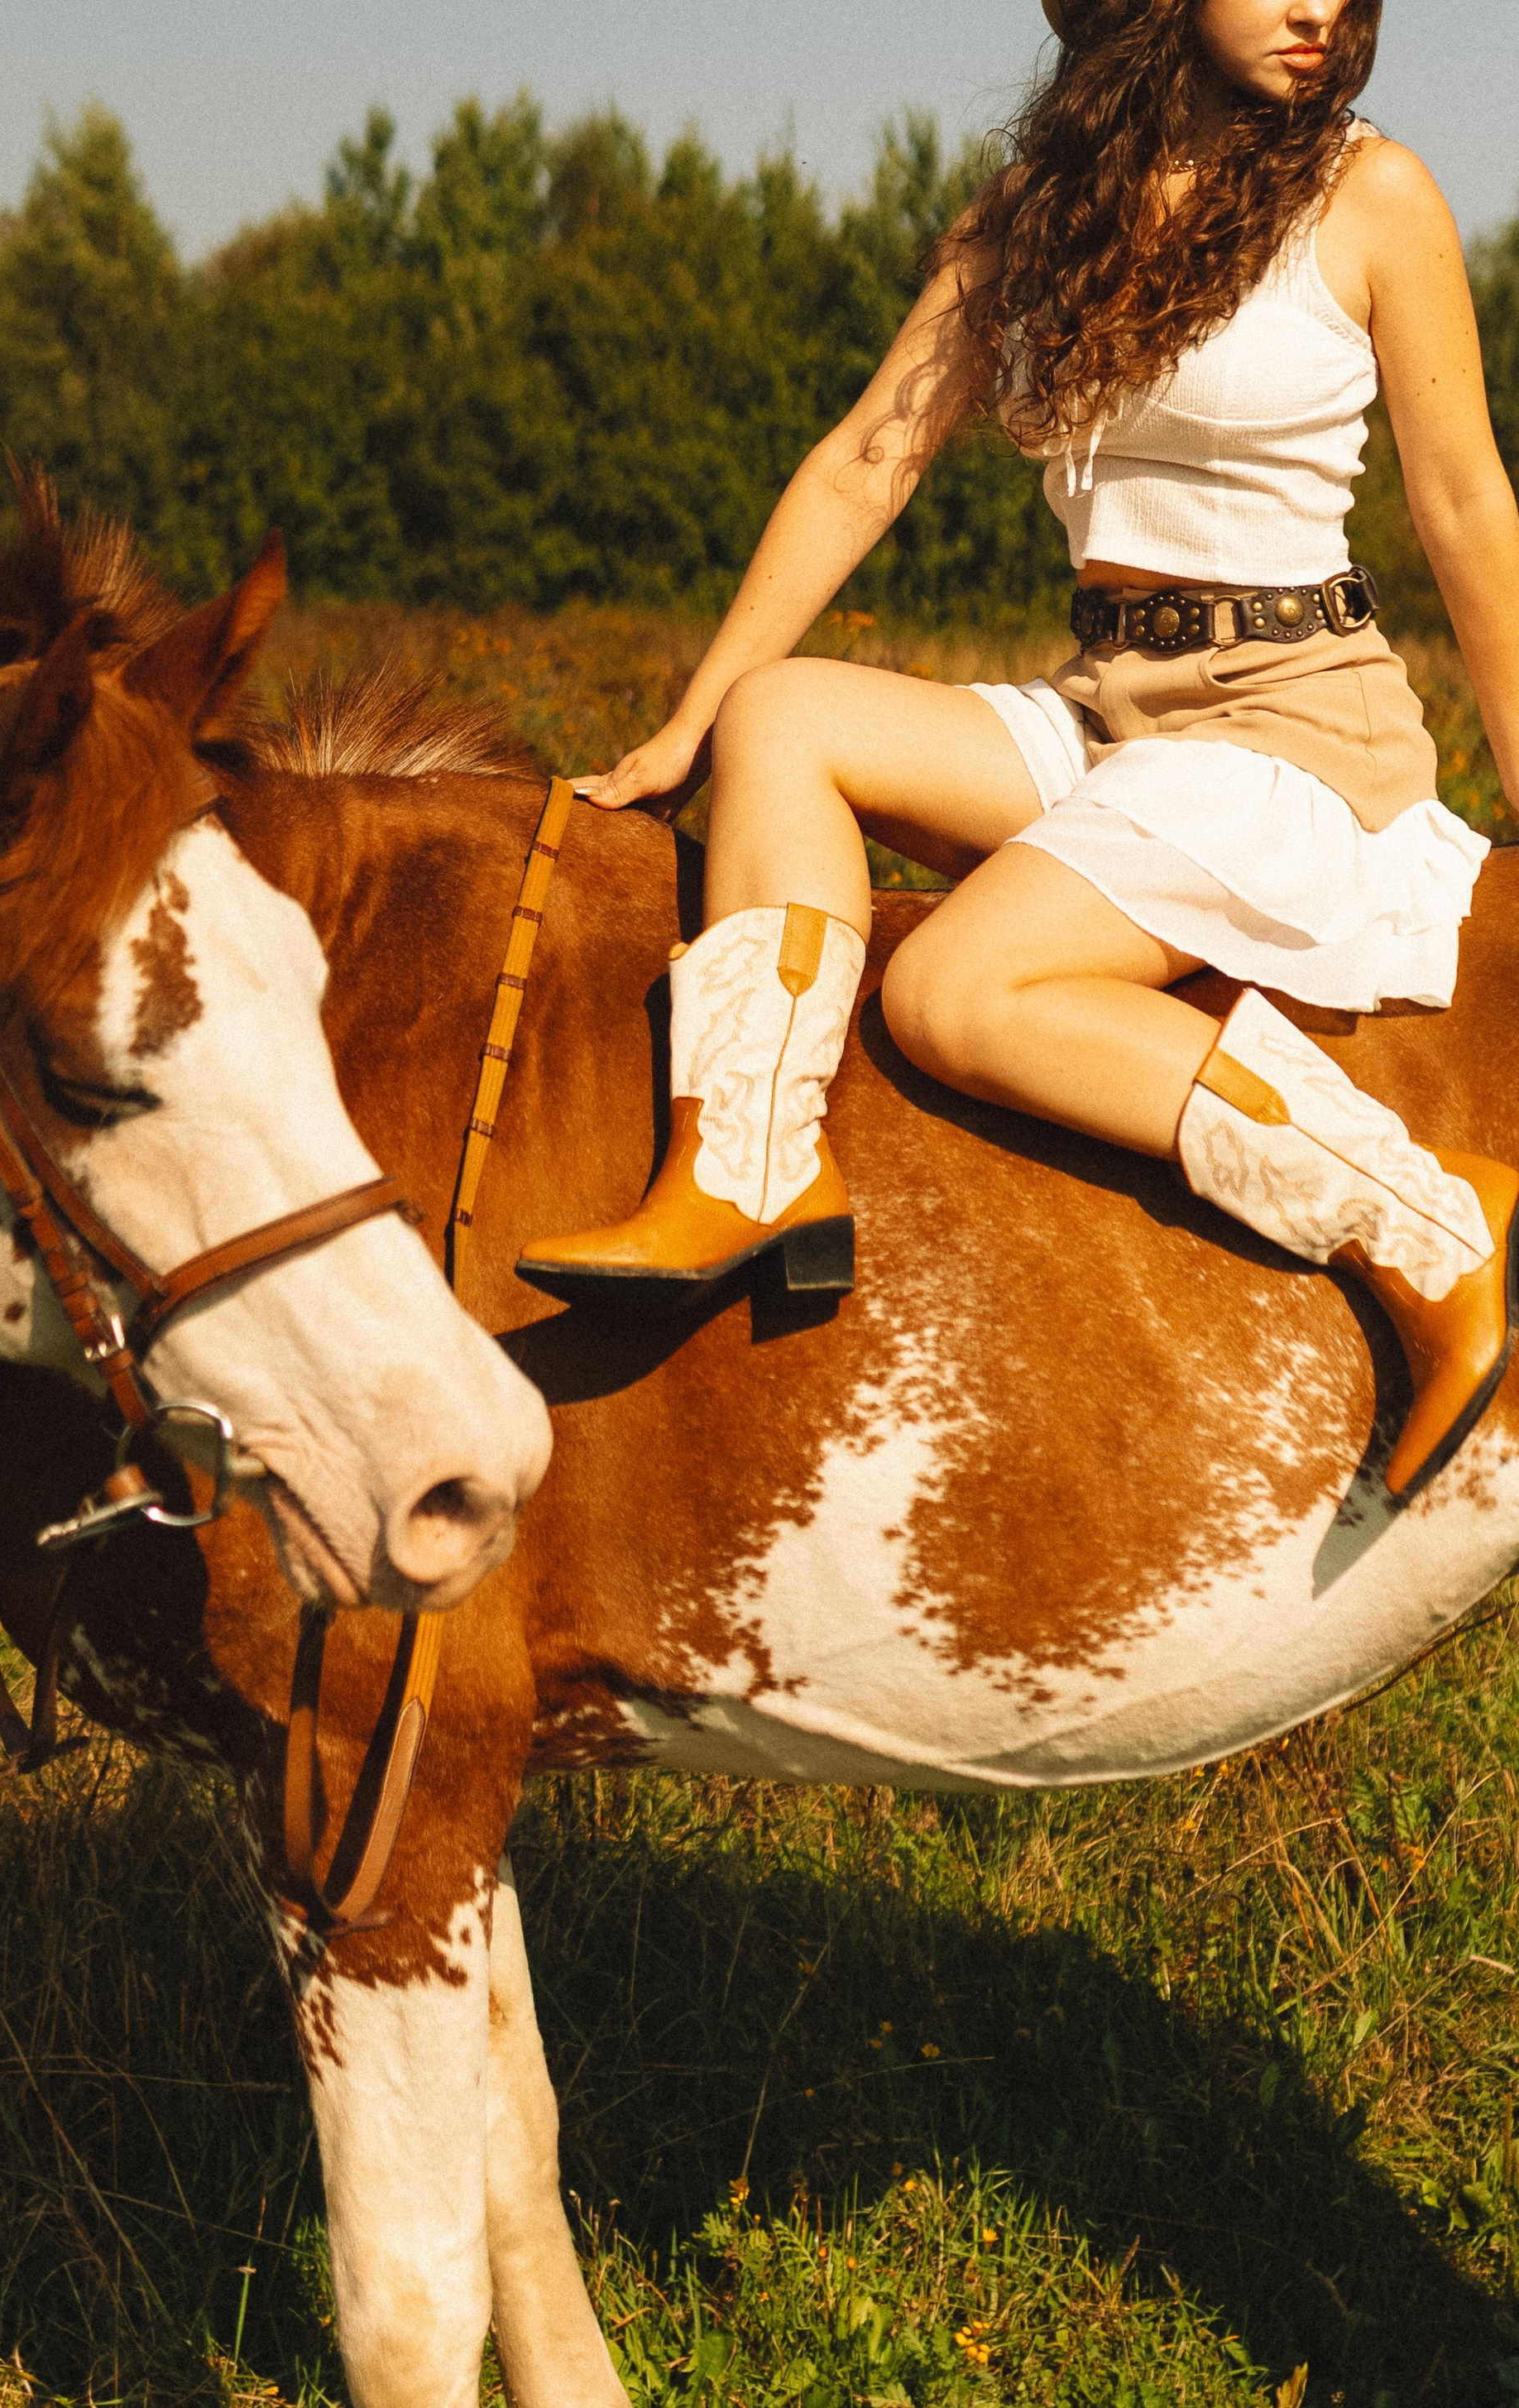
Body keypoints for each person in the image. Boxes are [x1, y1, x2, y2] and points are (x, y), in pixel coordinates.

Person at [518, 0, 1519, 1504]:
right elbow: (870, 457)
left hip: (1293, 720)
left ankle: (1433, 1225)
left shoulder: (1369, 194)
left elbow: (1466, 509)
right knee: (776, 718)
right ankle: (749, 1160)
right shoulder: (1034, 215)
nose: (1323, 6)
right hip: (1112, 703)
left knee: (953, 990)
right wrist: (688, 718)